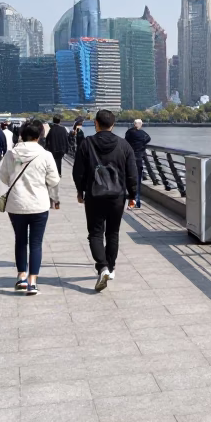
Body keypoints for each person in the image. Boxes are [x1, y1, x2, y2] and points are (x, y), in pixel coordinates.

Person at [72, 109, 136, 292]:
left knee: (95, 233)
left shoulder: (87, 144)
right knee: (113, 233)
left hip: (94, 195)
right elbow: (132, 173)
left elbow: (78, 171)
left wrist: (80, 191)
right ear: (113, 125)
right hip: (117, 197)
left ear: (96, 124)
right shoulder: (124, 145)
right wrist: (132, 195)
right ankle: (111, 267)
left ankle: (102, 267)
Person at [0, 119, 61, 296]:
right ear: (40, 135)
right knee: (35, 243)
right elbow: (54, 180)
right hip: (39, 204)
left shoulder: (11, 154)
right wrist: (54, 198)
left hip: (16, 204)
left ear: (21, 134)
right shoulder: (45, 155)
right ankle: (33, 282)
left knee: (20, 240)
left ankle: (21, 276)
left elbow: (3, 177)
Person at [124, 118, 151, 209]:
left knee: (130, 180)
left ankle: (131, 201)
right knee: (138, 181)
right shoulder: (142, 133)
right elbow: (148, 138)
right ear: (139, 125)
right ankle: (137, 202)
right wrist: (142, 144)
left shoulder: (129, 133)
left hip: (129, 159)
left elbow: (125, 142)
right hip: (139, 158)